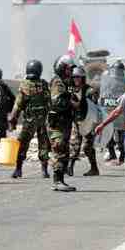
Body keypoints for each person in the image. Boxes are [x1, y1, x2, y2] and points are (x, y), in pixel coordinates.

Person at [8, 59, 51, 179]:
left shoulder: (25, 85)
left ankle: (18, 169)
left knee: (22, 143)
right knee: (43, 145)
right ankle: (44, 170)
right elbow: (49, 102)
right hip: (43, 120)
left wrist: (12, 119)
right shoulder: (44, 84)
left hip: (29, 121)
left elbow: (18, 105)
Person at [47, 55, 78, 192]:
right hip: (57, 123)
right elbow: (57, 102)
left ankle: (60, 180)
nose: (70, 72)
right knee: (59, 150)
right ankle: (57, 181)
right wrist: (71, 102)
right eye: (68, 69)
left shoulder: (67, 83)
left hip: (64, 122)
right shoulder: (57, 82)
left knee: (64, 151)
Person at [68, 66, 99, 177]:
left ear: (82, 78)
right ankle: (70, 167)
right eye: (74, 77)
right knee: (74, 145)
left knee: (87, 147)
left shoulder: (89, 91)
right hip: (76, 122)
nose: (76, 79)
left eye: (78, 77)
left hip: (87, 122)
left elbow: (94, 107)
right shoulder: (70, 89)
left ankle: (94, 168)